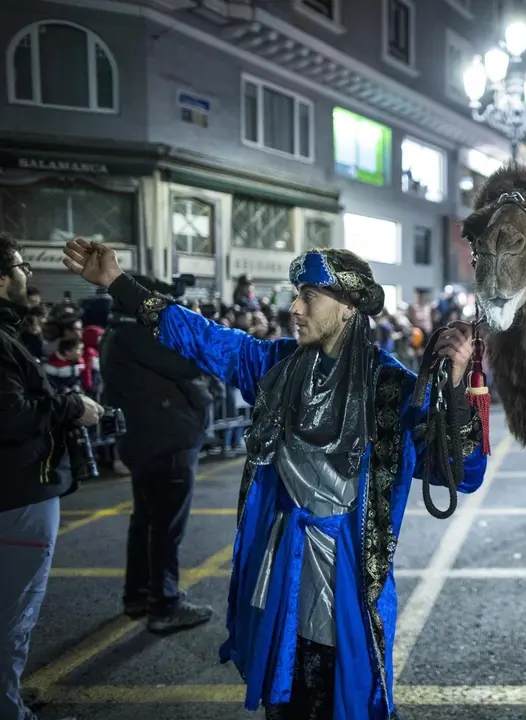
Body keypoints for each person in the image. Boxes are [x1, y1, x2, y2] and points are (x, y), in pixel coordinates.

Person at [62, 238, 487, 720]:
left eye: (309, 295)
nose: (296, 308)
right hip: (282, 565)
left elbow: (462, 476)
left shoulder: (390, 388)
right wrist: (118, 283)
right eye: (296, 293)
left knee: (347, 697)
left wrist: (453, 392)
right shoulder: (274, 364)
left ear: (348, 307)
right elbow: (199, 337)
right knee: (284, 696)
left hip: (350, 580)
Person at [0, 234, 102, 720]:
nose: (29, 276)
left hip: (16, 492)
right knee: (12, 616)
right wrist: (71, 406)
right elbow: (11, 416)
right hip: (17, 496)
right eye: (20, 267)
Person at [100, 274, 216, 633]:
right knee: (166, 529)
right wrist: (187, 321)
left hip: (145, 442)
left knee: (147, 522)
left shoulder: (117, 333)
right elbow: (192, 362)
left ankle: (138, 595)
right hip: (167, 443)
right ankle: (164, 607)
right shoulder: (136, 335)